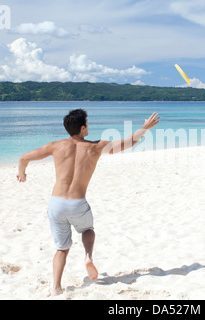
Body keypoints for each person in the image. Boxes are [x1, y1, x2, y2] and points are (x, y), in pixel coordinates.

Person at [16, 109, 160, 296]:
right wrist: (145, 127)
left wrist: (22, 172)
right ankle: (88, 256)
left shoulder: (55, 146)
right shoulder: (96, 147)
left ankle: (56, 287)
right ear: (83, 128)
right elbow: (128, 143)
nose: (88, 126)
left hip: (56, 203)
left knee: (61, 248)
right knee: (87, 230)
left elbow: (23, 158)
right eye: (87, 124)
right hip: (77, 203)